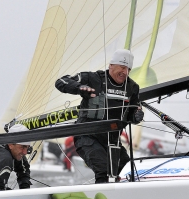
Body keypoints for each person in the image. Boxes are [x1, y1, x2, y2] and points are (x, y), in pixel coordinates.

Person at [54, 49, 144, 183]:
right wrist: (79, 88)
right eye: (122, 67)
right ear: (111, 65)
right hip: (87, 137)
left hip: (112, 141)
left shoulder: (132, 87)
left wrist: (136, 116)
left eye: (128, 69)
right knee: (103, 169)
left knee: (129, 171)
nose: (125, 72)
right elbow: (61, 82)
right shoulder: (93, 78)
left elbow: (132, 113)